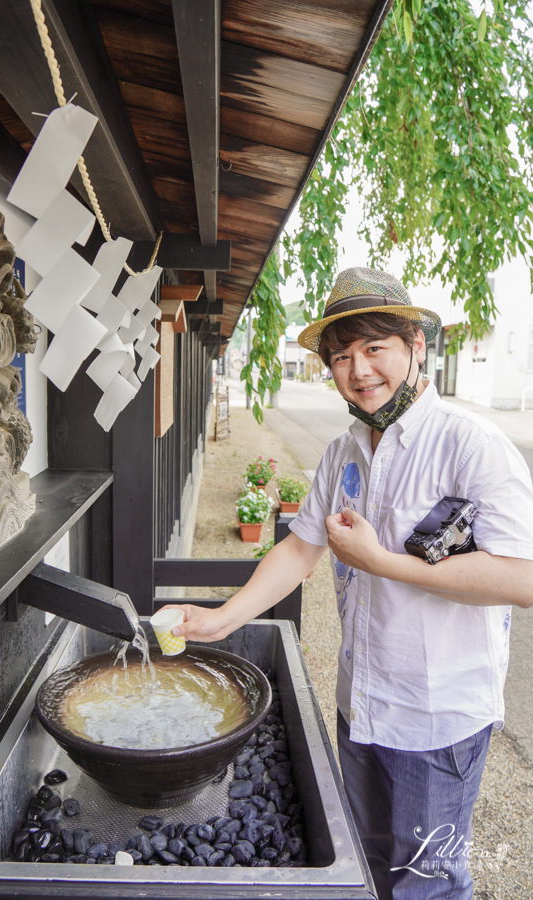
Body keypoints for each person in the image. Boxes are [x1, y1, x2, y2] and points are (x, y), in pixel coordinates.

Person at [165, 267, 533, 899]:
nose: (358, 370)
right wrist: (222, 619)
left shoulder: (471, 445)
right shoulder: (343, 452)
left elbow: (522, 579)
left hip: (437, 718)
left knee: (427, 884)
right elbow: (301, 547)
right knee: (364, 867)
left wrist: (379, 559)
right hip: (360, 701)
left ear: (415, 347)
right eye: (341, 356)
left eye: (374, 349)